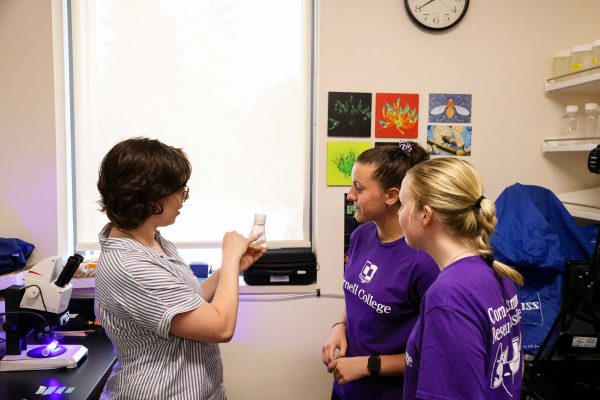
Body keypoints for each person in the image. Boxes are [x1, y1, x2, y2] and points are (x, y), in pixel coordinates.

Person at [95, 137, 265, 400]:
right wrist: (230, 259)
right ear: (149, 197)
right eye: (178, 190)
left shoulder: (153, 240)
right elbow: (221, 328)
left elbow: (186, 301)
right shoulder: (130, 266)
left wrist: (228, 270)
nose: (183, 198)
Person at [397, 157, 524, 400]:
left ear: (425, 214)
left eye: (402, 205)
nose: (399, 214)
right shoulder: (496, 273)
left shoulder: (449, 296)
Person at [321, 143, 439, 400]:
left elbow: (431, 353)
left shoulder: (424, 262)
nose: (350, 195)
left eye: (359, 188)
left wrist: (368, 365)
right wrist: (339, 327)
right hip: (346, 387)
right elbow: (360, 296)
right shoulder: (361, 235)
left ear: (392, 196)